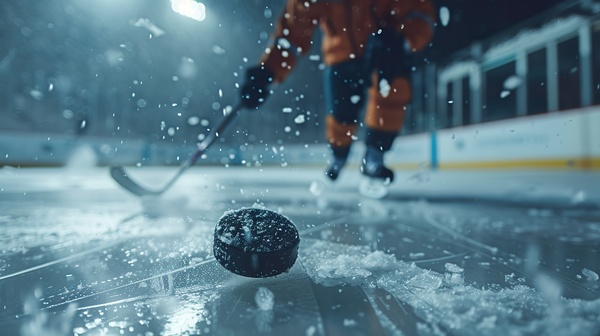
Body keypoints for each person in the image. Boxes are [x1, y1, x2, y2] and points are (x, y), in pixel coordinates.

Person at [240, 0, 436, 184]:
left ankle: (376, 154)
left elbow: (418, 12)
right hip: (340, 54)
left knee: (392, 89)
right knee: (341, 112)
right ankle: (339, 153)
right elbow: (292, 34)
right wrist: (268, 71)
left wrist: (401, 39)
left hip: (384, 48)